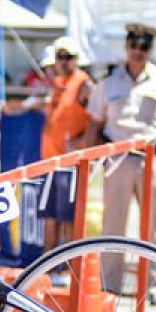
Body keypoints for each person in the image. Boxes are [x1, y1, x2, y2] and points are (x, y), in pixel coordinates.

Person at [81, 22, 156, 304]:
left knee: (155, 225)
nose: (138, 52)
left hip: (153, 159)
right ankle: (110, 285)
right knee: (113, 224)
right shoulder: (109, 80)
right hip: (117, 159)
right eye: (134, 46)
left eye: (144, 47)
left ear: (150, 49)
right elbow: (95, 123)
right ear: (126, 46)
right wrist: (87, 159)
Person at [34, 37, 93, 255]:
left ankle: (69, 267)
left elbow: (98, 117)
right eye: (60, 57)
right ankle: (48, 265)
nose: (64, 62)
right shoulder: (59, 84)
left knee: (68, 217)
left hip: (70, 163)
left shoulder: (84, 84)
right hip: (50, 161)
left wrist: (84, 140)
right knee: (49, 216)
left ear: (77, 59)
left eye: (68, 57)